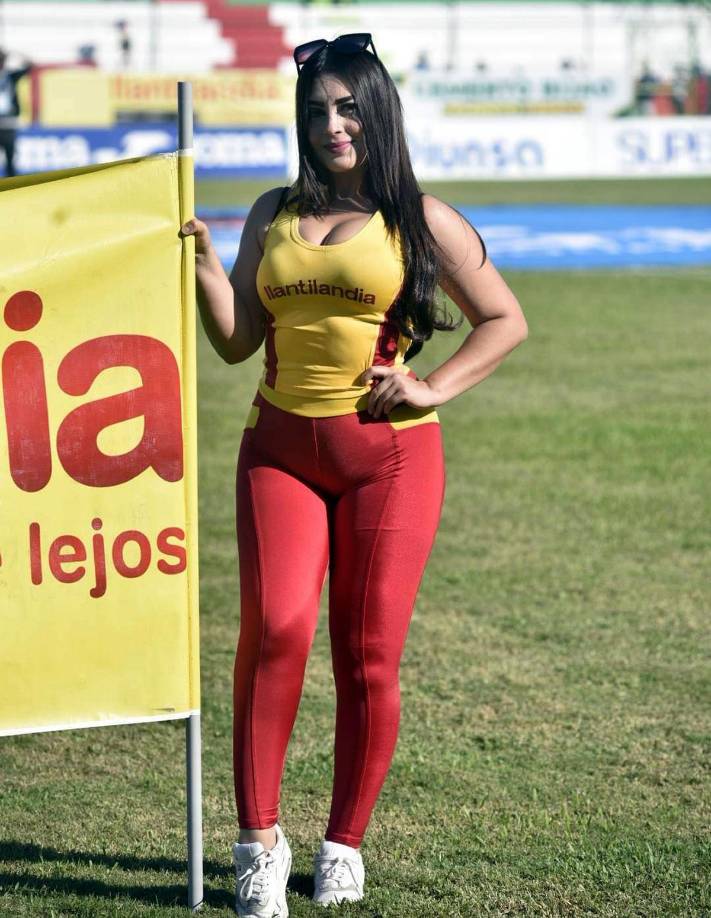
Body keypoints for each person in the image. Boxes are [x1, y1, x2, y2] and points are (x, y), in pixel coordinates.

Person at [181, 32, 527, 917]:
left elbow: (503, 319)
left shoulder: (421, 218)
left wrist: (431, 385)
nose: (332, 126)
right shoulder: (272, 211)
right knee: (274, 632)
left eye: (347, 109)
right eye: (315, 112)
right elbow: (236, 343)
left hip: (391, 461)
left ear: (377, 114)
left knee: (366, 656)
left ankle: (343, 845)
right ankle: (257, 845)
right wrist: (206, 268)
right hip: (278, 450)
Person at [0, 49, 32, 178]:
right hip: (7, 123)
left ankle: (11, 183)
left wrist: (15, 53)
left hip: (8, 123)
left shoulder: (11, 76)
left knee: (10, 158)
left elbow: (30, 66)